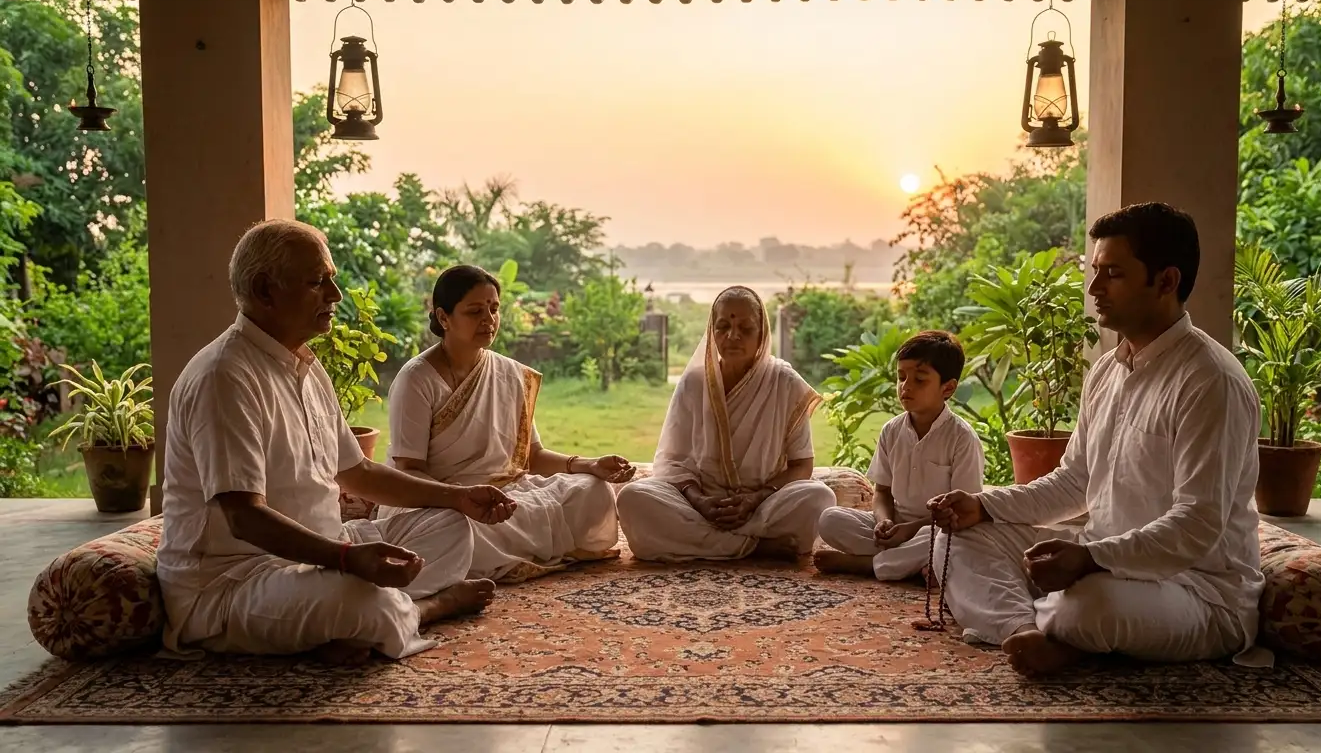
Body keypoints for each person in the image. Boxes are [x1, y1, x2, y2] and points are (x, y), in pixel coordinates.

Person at [156, 219, 519, 666]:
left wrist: (458, 497)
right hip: (234, 582)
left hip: (324, 548)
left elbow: (358, 473)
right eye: (318, 283)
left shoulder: (303, 366)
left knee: (449, 527)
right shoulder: (225, 377)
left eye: (332, 280)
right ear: (265, 290)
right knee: (362, 599)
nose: (336, 296)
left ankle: (351, 620)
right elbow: (243, 518)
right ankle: (429, 608)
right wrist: (348, 560)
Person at [928, 202, 1264, 677]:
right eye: (1095, 272)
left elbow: (1196, 525)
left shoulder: (1210, 381)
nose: (1093, 289)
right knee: (958, 538)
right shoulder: (1107, 369)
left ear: (1166, 281)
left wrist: (1090, 560)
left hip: (1196, 591)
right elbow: (1073, 481)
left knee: (1091, 604)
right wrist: (984, 505)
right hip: (1101, 558)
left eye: (1113, 274)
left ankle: (1060, 630)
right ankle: (1027, 631)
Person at [383, 264, 631, 582]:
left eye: (494, 308)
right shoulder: (416, 379)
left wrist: (589, 464)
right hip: (444, 499)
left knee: (592, 491)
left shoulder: (510, 373)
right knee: (453, 528)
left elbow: (533, 456)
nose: (489, 319)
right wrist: (460, 497)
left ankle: (502, 552)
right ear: (444, 318)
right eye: (475, 311)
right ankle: (511, 550)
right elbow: (407, 467)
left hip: (509, 493)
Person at [616, 286, 836, 561]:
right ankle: (755, 547)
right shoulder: (694, 383)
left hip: (762, 503)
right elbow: (672, 460)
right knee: (633, 497)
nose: (733, 336)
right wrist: (700, 501)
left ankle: (707, 542)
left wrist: (753, 499)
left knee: (818, 497)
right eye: (723, 326)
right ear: (712, 331)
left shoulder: (785, 383)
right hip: (700, 503)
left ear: (761, 334)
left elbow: (802, 465)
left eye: (745, 328)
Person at [815, 330, 983, 579]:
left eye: (920, 380)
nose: (906, 387)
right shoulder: (891, 431)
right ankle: (913, 567)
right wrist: (885, 521)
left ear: (947, 388)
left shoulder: (962, 438)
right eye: (901, 377)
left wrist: (909, 531)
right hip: (895, 526)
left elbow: (960, 514)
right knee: (830, 519)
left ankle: (867, 565)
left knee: (952, 540)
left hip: (937, 528)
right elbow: (882, 491)